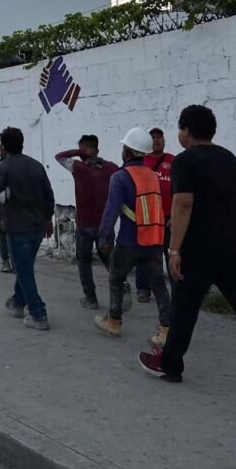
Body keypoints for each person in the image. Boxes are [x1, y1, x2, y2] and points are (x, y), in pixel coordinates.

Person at [138, 106, 236, 407]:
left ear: (187, 130)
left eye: (180, 129)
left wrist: (174, 249)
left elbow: (183, 205)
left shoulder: (186, 161)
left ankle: (170, 365)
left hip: (199, 249)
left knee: (185, 309)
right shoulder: (231, 161)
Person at [94, 127, 171, 346]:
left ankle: (115, 321)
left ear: (127, 151)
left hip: (130, 240)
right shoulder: (153, 176)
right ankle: (166, 328)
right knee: (158, 285)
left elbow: (111, 211)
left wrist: (103, 237)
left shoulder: (120, 177)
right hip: (154, 239)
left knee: (116, 278)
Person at [0, 127, 56, 331]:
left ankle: (38, 313)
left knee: (24, 271)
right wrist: (48, 219)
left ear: (3, 146)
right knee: (25, 267)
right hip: (37, 227)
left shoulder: (3, 167)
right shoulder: (36, 166)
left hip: (17, 227)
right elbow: (49, 194)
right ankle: (17, 302)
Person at [55, 135, 120, 309]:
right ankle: (119, 294)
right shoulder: (111, 168)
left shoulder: (77, 167)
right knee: (109, 260)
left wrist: (78, 152)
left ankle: (90, 298)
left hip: (84, 225)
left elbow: (59, 156)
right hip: (105, 225)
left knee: (84, 261)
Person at [136, 127, 176, 303]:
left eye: (160, 137)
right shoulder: (141, 162)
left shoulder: (173, 161)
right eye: (153, 138)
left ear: (164, 141)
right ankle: (143, 289)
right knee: (145, 253)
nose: (157, 141)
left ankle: (177, 291)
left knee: (171, 253)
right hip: (148, 216)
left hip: (168, 218)